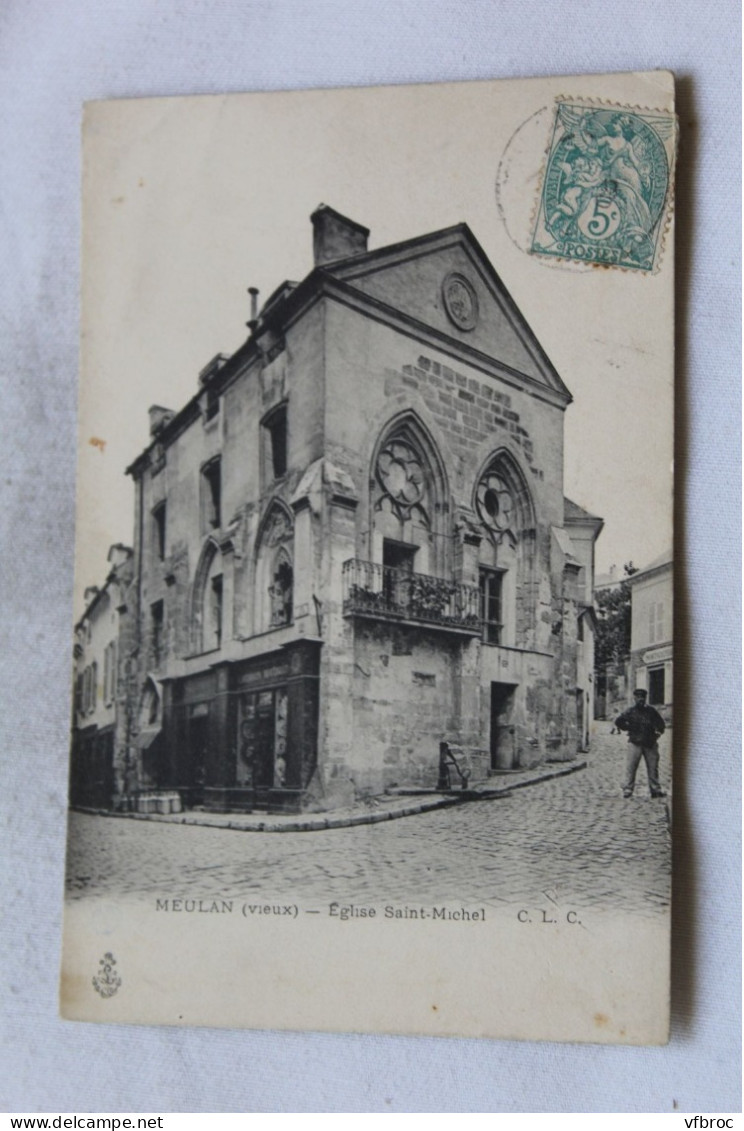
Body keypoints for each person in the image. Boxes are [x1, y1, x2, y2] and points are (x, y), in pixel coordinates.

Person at [615, 688, 666, 799]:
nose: (640, 699)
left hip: (650, 743)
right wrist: (628, 728)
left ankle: (655, 790)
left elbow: (661, 724)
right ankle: (628, 790)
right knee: (631, 767)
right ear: (634, 698)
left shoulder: (651, 711)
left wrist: (657, 733)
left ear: (645, 698)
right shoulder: (630, 711)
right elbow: (618, 721)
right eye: (638, 697)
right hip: (635, 743)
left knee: (653, 767)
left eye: (642, 697)